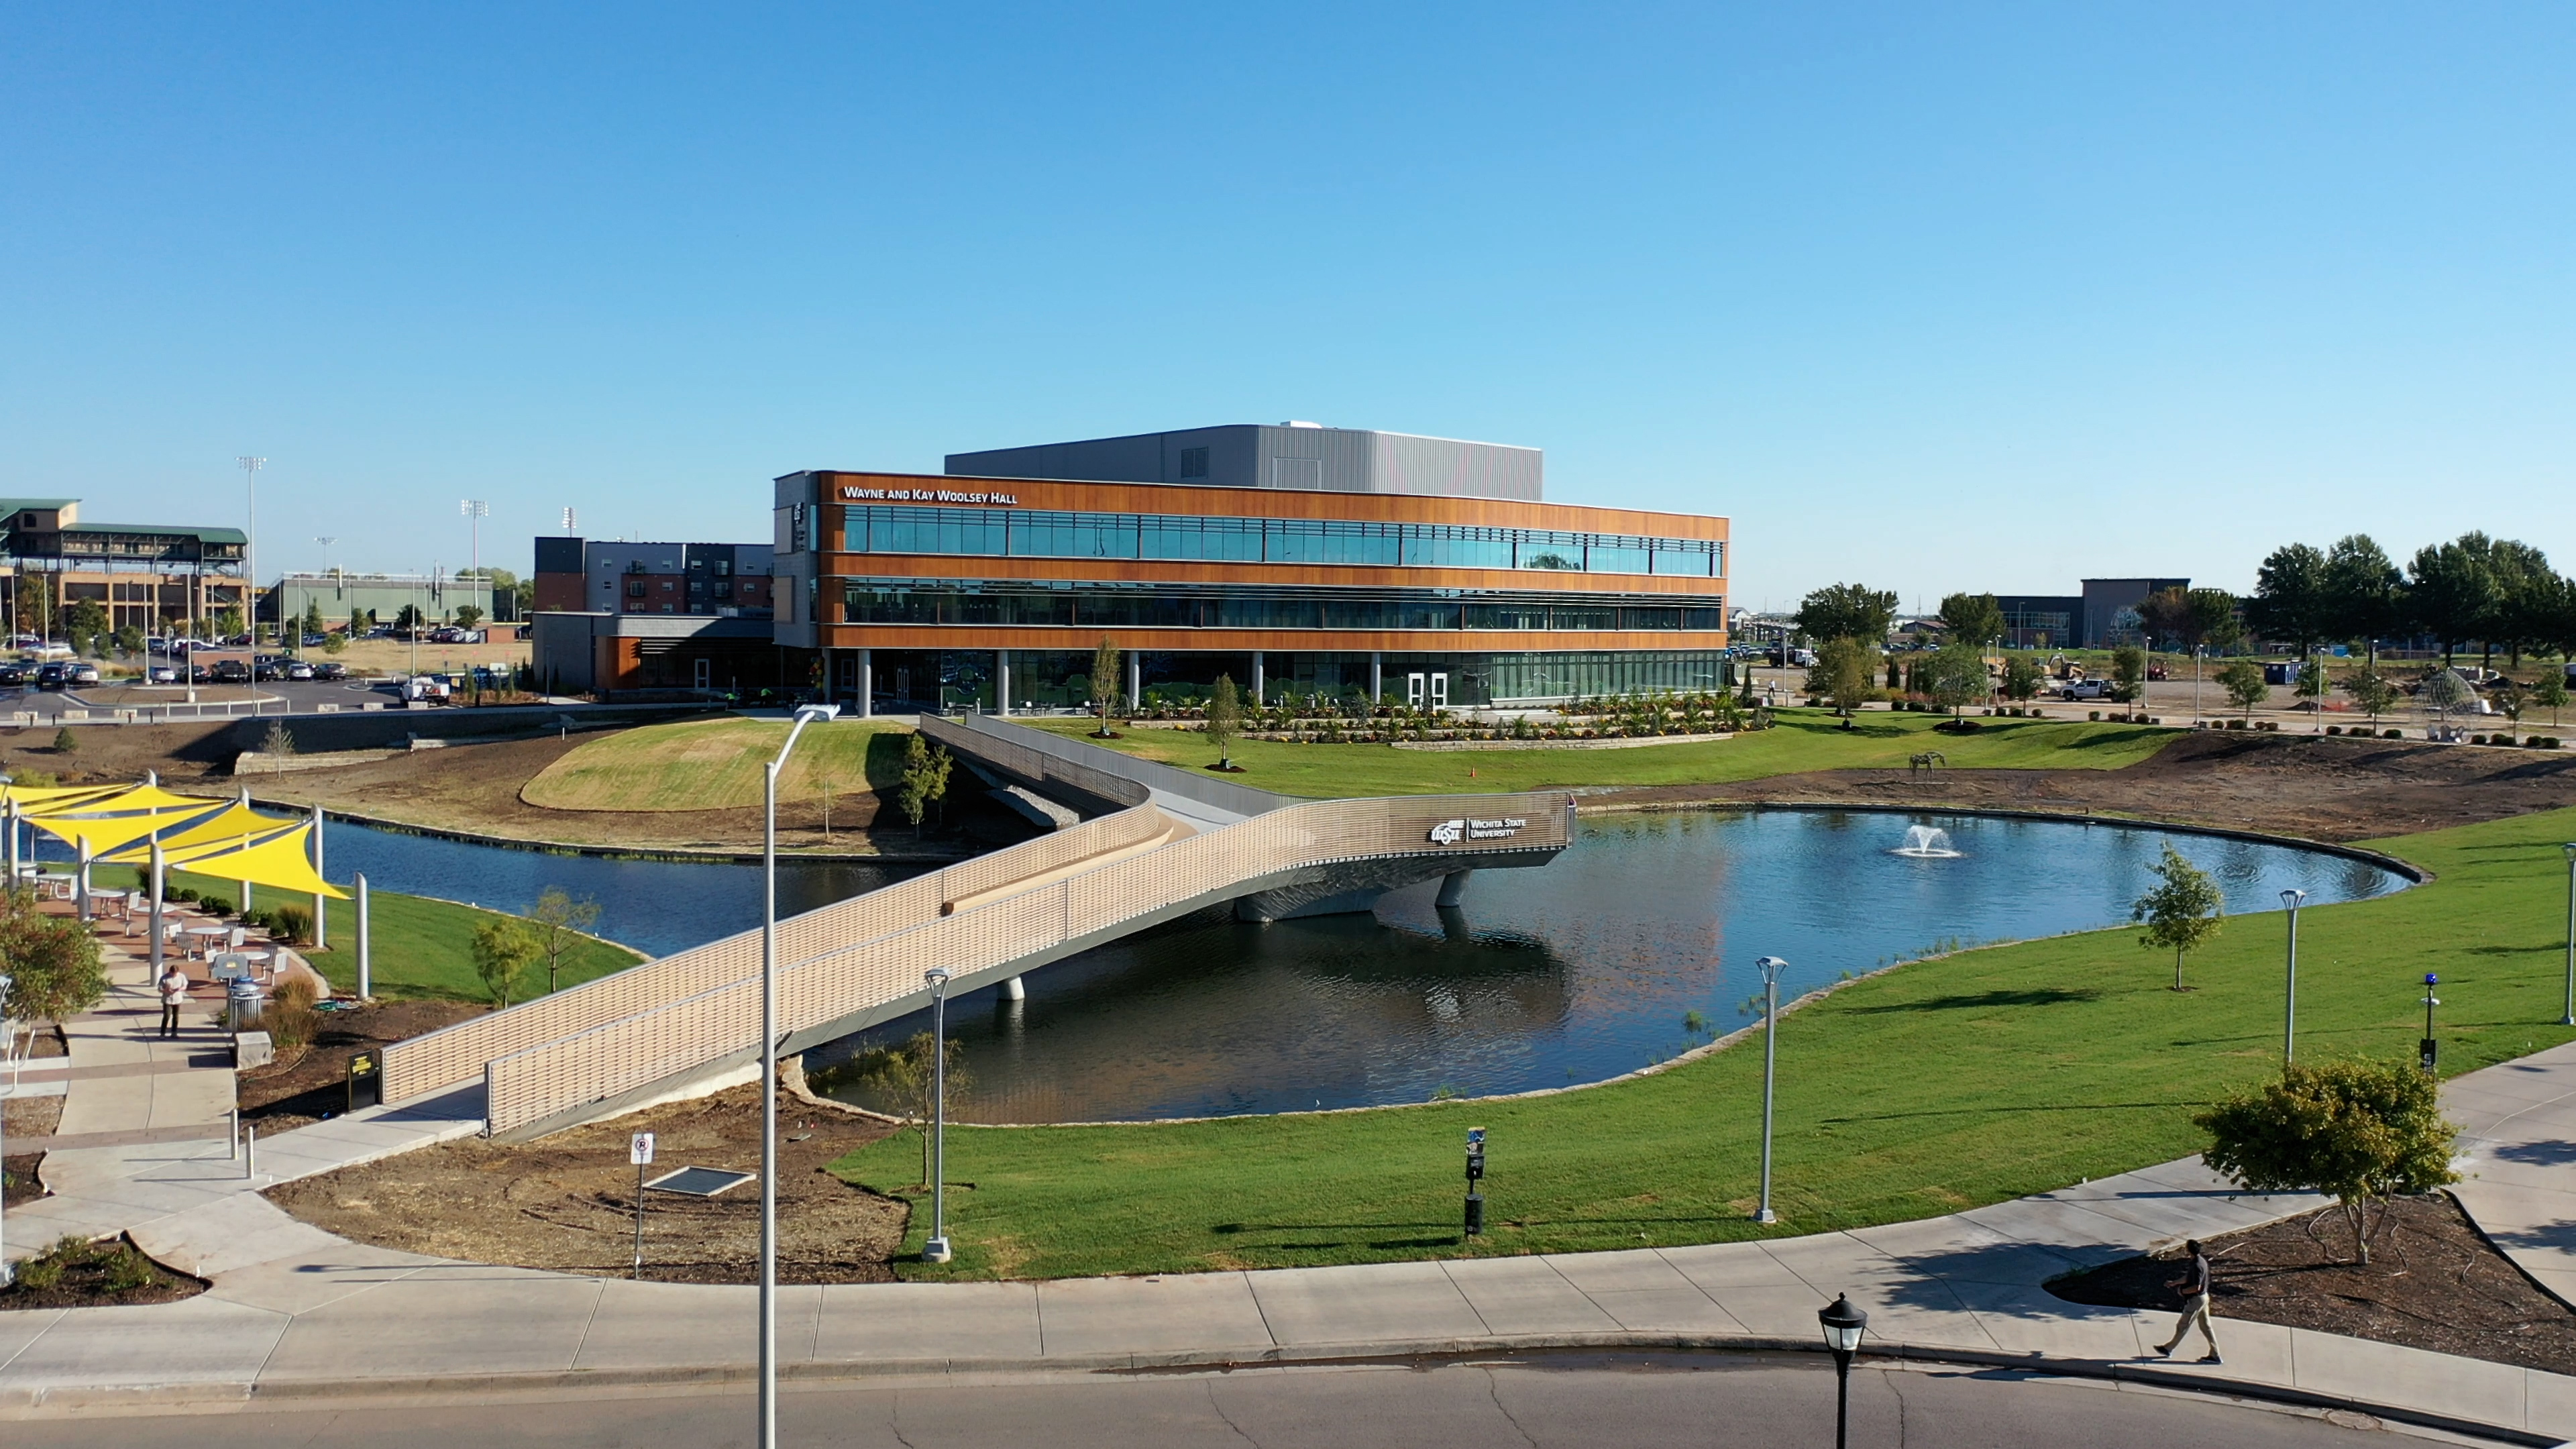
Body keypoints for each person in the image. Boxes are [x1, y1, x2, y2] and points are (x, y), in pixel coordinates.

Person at [2152, 1238, 2221, 1363]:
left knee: (2183, 1325)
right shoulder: (2200, 1261)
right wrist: (2174, 1283)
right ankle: (2215, 1354)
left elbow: (2196, 1287)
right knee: (2206, 1327)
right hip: (2204, 1298)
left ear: (2188, 1250)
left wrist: (2183, 1292)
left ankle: (2168, 1349)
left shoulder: (2196, 1266)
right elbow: (2188, 1278)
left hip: (2197, 1300)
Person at [157, 962, 191, 1039]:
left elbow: (185, 986)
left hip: (177, 998)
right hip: (167, 999)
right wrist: (166, 990)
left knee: (176, 1016)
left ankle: (174, 1032)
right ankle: (162, 1033)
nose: (173, 975)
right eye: (172, 973)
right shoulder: (164, 978)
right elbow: (160, 989)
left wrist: (179, 989)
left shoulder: (182, 977)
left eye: (175, 974)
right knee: (167, 1016)